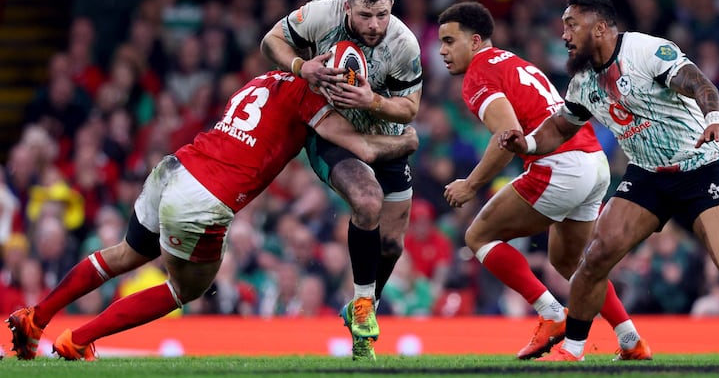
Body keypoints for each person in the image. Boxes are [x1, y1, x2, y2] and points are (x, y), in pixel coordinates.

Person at [6, 69, 418, 361]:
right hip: (202, 199)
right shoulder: (310, 100)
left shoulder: (262, 79)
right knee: (186, 289)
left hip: (174, 168)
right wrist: (406, 138)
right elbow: (363, 150)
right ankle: (78, 339)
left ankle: (35, 317)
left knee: (124, 255)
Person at [500, 0, 719, 361]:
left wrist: (715, 118)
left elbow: (701, 86)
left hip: (698, 164)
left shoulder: (646, 51)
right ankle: (574, 349)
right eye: (564, 26)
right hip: (646, 175)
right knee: (595, 257)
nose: (564, 35)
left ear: (601, 27)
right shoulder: (581, 82)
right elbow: (561, 128)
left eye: (571, 25)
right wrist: (526, 142)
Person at [437, 1, 650, 360]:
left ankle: (551, 315)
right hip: (592, 162)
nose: (442, 50)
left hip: (559, 166)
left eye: (449, 40)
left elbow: (507, 134)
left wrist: (471, 185)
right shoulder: (511, 60)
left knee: (478, 236)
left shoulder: (479, 73)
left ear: (475, 41)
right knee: (571, 263)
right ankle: (631, 340)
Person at [260, 0, 422, 360]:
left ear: (392, 9)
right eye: (365, 15)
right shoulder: (321, 15)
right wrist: (303, 67)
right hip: (332, 131)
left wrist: (374, 102)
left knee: (392, 244)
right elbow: (271, 42)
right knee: (368, 202)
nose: (374, 24)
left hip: (383, 136)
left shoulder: (404, 44)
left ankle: (361, 306)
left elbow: (410, 110)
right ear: (348, 7)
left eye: (382, 15)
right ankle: (365, 308)